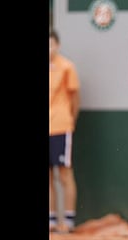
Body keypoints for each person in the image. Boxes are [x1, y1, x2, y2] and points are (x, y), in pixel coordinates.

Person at [49, 29, 81, 233]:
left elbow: (75, 100)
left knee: (64, 174)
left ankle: (68, 220)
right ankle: (51, 220)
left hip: (61, 127)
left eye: (51, 44)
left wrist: (70, 121)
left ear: (58, 45)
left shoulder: (67, 67)